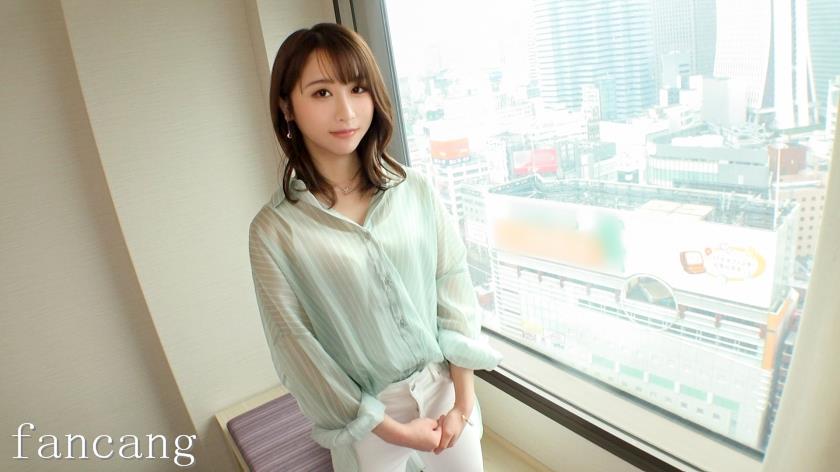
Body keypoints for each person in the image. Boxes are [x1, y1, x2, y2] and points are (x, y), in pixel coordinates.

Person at [248, 22, 502, 472]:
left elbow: (453, 287)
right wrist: (394, 431)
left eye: (358, 89)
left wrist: (462, 404)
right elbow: (298, 349)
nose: (346, 111)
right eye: (322, 93)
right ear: (287, 106)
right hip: (367, 419)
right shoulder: (274, 232)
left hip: (444, 390)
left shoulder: (414, 189)